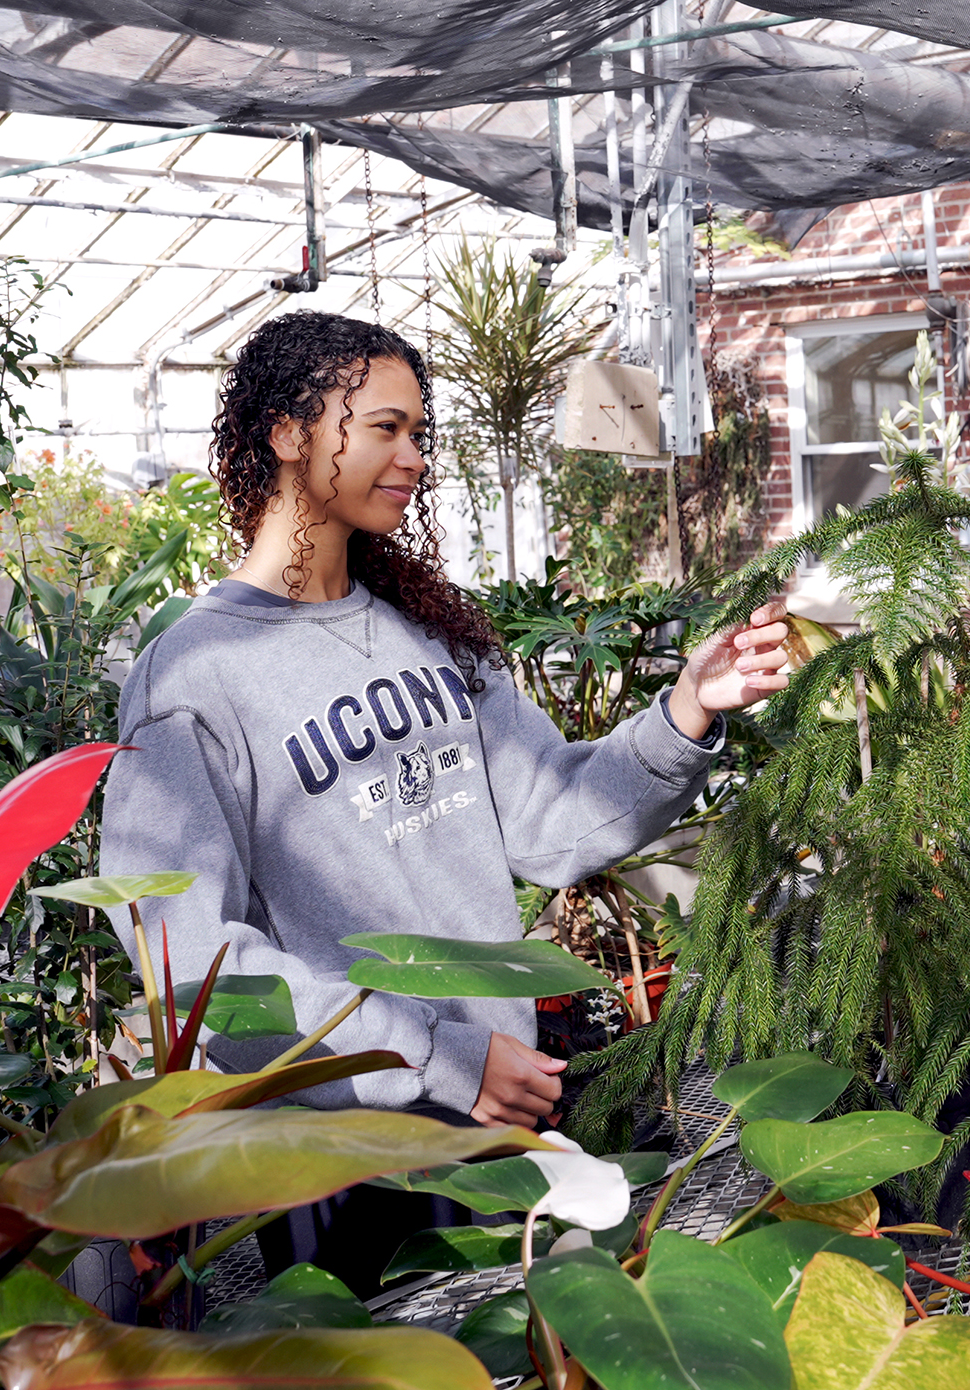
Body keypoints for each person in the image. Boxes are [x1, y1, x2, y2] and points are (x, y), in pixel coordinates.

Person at [100, 311, 789, 1292]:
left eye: (420, 433)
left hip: (495, 1112)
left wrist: (685, 712)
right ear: (287, 436)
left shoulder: (423, 632)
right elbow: (188, 956)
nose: (414, 457)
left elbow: (556, 823)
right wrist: (432, 1053)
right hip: (343, 1155)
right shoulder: (194, 676)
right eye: (384, 428)